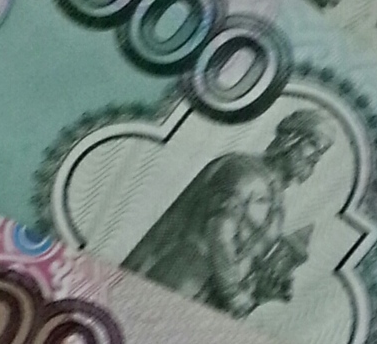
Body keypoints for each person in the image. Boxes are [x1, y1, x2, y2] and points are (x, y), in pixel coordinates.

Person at [121, 109, 332, 317]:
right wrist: (234, 294)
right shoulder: (241, 170)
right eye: (313, 143)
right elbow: (219, 234)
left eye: (321, 152)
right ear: (291, 137)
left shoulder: (278, 207)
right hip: (177, 285)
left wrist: (261, 291)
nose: (315, 157)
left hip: (207, 304)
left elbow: (247, 261)